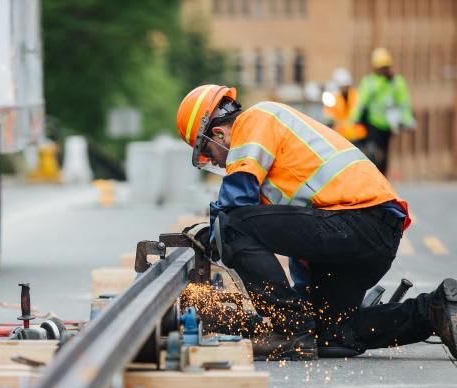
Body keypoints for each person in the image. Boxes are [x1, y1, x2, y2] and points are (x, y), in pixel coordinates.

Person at [175, 83, 457, 361]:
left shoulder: (255, 120)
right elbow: (304, 236)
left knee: (231, 224)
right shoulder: (272, 171)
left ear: (219, 134)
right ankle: (433, 311)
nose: (217, 163)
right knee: (329, 334)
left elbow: (234, 205)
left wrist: (212, 233)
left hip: (360, 222)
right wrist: (304, 306)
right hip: (369, 236)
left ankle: (290, 331)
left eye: (208, 153)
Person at [351, 48, 415, 175]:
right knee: (375, 153)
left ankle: (382, 178)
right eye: (381, 68)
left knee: (384, 155)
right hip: (372, 124)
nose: (384, 70)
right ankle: (373, 176)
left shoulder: (397, 82)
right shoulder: (370, 82)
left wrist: (408, 120)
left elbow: (404, 103)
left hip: (388, 126)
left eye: (386, 67)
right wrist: (356, 119)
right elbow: (361, 103)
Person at [322, 67, 367, 144]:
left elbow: (358, 112)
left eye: (346, 86)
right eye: (343, 86)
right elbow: (328, 116)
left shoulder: (355, 95)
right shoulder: (332, 98)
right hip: (338, 134)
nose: (345, 89)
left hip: (355, 134)